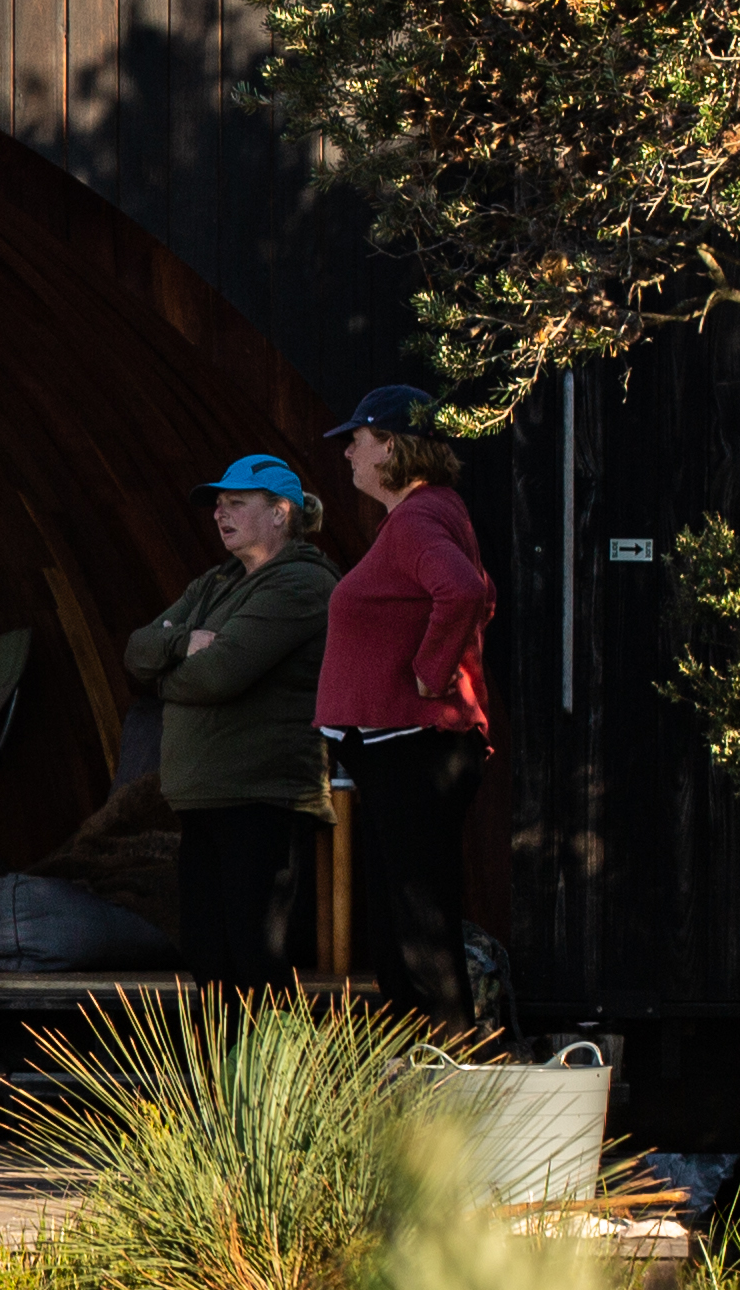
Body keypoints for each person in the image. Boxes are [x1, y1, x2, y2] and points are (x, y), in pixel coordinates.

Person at [315, 385, 499, 1025]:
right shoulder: (431, 513)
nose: (347, 456)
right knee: (402, 910)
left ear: (390, 445)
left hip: (413, 746)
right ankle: (418, 1051)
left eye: (356, 441)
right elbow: (481, 593)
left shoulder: (419, 518)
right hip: (402, 747)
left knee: (418, 913)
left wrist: (429, 673)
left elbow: (463, 590)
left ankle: (451, 1059)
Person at [129, 454, 338, 985]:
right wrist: (181, 643)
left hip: (262, 797)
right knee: (208, 961)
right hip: (204, 799)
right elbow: (135, 649)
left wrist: (163, 679)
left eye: (237, 503)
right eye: (218, 505)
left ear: (280, 513)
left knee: (256, 964)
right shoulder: (214, 584)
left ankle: (268, 1069)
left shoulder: (301, 584)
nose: (220, 514)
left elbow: (219, 674)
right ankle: (226, 1071)